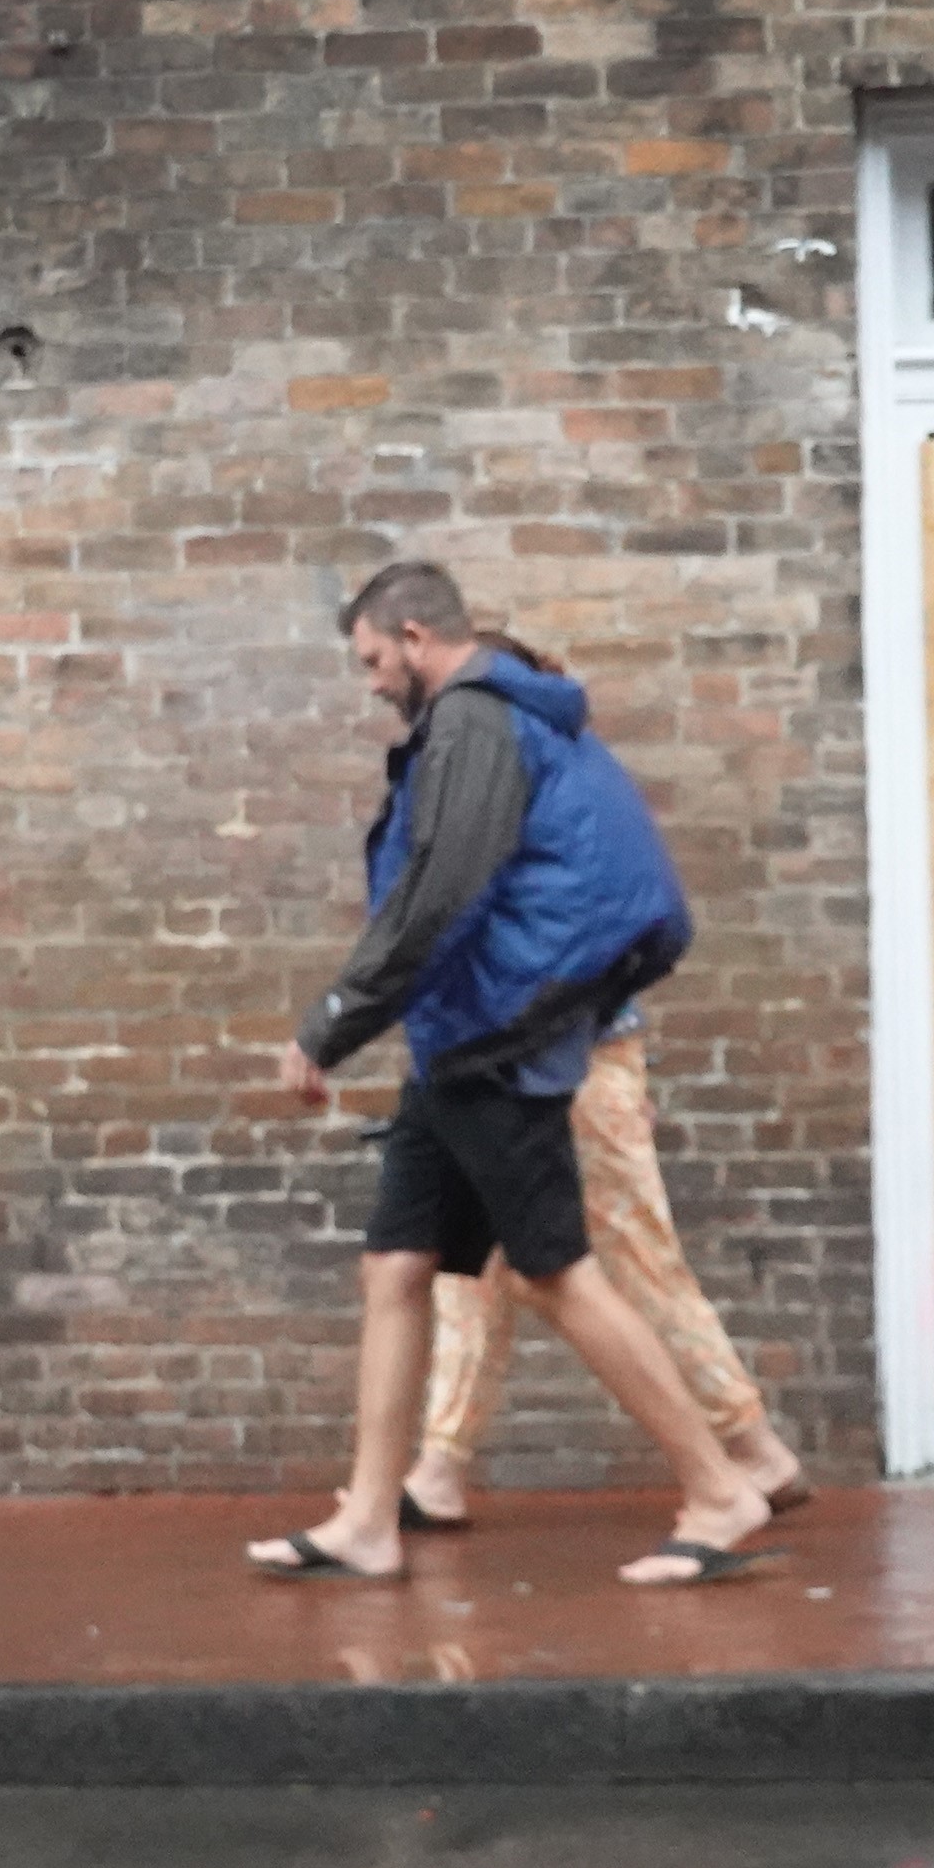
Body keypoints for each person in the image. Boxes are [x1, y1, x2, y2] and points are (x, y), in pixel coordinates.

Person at [247, 561, 776, 1588]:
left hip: (498, 1036)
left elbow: (442, 888)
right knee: (395, 1266)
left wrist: (332, 1022)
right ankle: (367, 1515)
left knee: (557, 1272)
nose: (368, 682)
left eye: (370, 659)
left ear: (412, 634)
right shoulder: (489, 718)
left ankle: (720, 1486)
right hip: (460, 1037)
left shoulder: (475, 721)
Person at [399, 639, 806, 1529]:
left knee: (632, 1259)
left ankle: (753, 1450)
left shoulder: (514, 761)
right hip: (524, 1055)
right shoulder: (553, 757)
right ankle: (438, 1469)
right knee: (473, 1269)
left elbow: (549, 919)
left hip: (561, 1056)